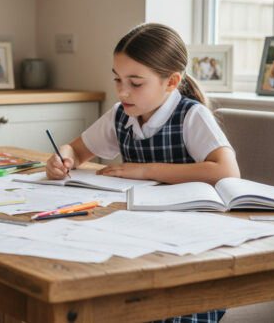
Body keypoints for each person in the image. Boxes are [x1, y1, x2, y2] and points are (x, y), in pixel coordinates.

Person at [45, 23, 240, 323]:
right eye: (117, 79)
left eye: (135, 83)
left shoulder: (191, 116)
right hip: (140, 238)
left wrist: (145, 170)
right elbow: (77, 150)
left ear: (171, 82)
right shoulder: (122, 115)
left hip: (192, 250)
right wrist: (62, 159)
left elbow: (227, 172)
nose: (123, 91)